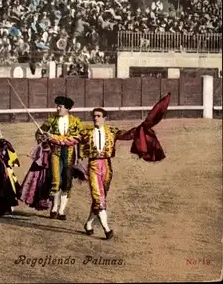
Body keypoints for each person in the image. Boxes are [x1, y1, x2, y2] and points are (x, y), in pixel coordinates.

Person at [47, 93, 172, 239]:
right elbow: (68, 140)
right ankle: (107, 229)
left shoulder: (112, 131)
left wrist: (142, 128)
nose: (95, 118)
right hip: (93, 165)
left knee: (100, 199)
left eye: (99, 116)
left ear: (104, 118)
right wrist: (52, 137)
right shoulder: (85, 132)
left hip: (107, 166)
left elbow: (128, 135)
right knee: (99, 198)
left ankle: (88, 224)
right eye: (94, 116)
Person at [36, 96, 83, 220]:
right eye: (57, 106)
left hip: (70, 155)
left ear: (67, 108)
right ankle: (54, 208)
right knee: (56, 180)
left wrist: (80, 157)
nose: (57, 108)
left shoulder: (75, 121)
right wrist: (43, 138)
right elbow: (38, 134)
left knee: (67, 182)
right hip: (55, 153)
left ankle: (61, 211)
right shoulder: (51, 120)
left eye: (60, 106)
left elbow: (79, 139)